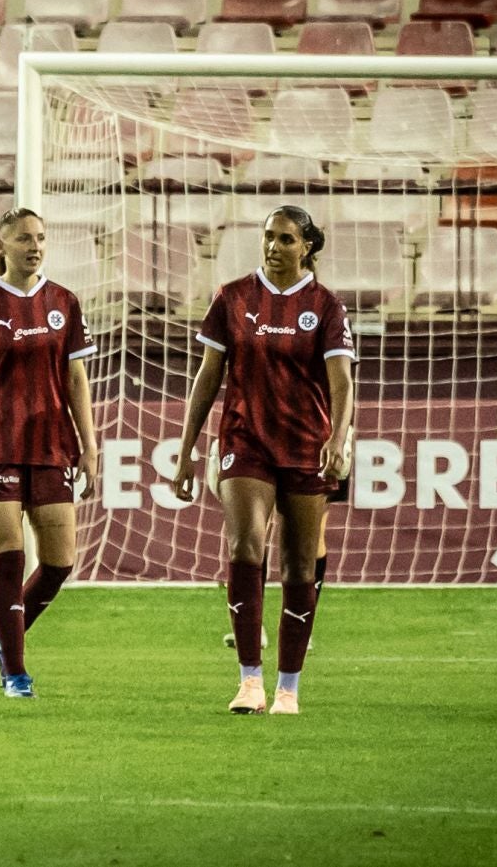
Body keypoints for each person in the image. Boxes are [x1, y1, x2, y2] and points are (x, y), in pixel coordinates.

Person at [169, 206, 355, 716]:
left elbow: (341, 380)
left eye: (286, 240)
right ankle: (250, 680)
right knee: (246, 542)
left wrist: (338, 437)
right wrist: (185, 451)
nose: (274, 247)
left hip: (305, 444)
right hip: (244, 440)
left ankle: (289, 687)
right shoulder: (231, 298)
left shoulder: (327, 306)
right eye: (269, 237)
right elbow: (207, 378)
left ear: (308, 247)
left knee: (299, 563)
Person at [0, 208, 99, 699]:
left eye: (41, 238)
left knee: (59, 563)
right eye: (23, 239)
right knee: (9, 556)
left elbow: (76, 379)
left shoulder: (64, 303)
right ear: (1, 245)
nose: (34, 246)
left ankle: (2, 637)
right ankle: (15, 672)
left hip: (52, 444)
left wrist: (90, 445)